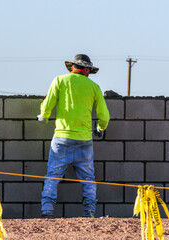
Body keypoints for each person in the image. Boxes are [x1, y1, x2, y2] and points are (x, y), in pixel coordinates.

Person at [37, 54, 110, 218]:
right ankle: (90, 212)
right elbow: (104, 117)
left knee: (52, 176)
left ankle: (47, 211)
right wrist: (99, 128)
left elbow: (48, 104)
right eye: (89, 70)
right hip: (84, 141)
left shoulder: (59, 81)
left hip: (61, 139)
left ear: (72, 67)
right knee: (88, 179)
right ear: (85, 69)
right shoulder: (94, 87)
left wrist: (44, 116)